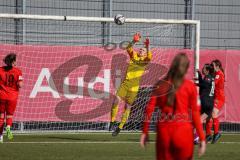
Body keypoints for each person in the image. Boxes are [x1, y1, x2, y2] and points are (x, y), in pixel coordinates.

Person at [140, 53, 206, 160]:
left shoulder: (160, 84)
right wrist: (202, 138)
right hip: (183, 132)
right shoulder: (190, 86)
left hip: (164, 132)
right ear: (186, 68)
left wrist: (145, 131)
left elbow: (149, 109)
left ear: (172, 66)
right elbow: (195, 113)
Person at [110, 33, 152, 136]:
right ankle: (112, 121)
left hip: (134, 88)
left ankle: (120, 127)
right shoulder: (134, 56)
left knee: (127, 107)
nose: (141, 50)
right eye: (141, 49)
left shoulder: (145, 61)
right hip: (125, 84)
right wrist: (133, 41)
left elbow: (150, 56)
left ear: (146, 53)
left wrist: (147, 46)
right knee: (115, 100)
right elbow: (128, 47)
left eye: (143, 50)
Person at [0, 53, 23, 142]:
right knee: (9, 115)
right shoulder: (18, 71)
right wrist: (17, 83)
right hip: (12, 97)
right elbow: (20, 85)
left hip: (1, 96)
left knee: (1, 116)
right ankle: (8, 127)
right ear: (13, 62)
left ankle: (0, 136)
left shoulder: (0, 70)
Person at [194, 64, 215, 143]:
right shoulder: (209, 78)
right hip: (209, 102)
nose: (203, 69)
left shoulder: (208, 78)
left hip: (206, 102)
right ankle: (200, 137)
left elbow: (204, 85)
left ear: (207, 70)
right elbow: (202, 83)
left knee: (199, 120)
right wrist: (199, 74)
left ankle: (197, 137)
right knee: (200, 120)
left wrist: (194, 84)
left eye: (203, 68)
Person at [205, 59, 225, 144]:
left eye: (212, 65)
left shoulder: (219, 74)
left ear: (217, 66)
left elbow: (213, 83)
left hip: (219, 98)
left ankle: (216, 133)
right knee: (208, 116)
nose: (211, 67)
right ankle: (208, 135)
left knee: (213, 113)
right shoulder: (214, 74)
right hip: (213, 97)